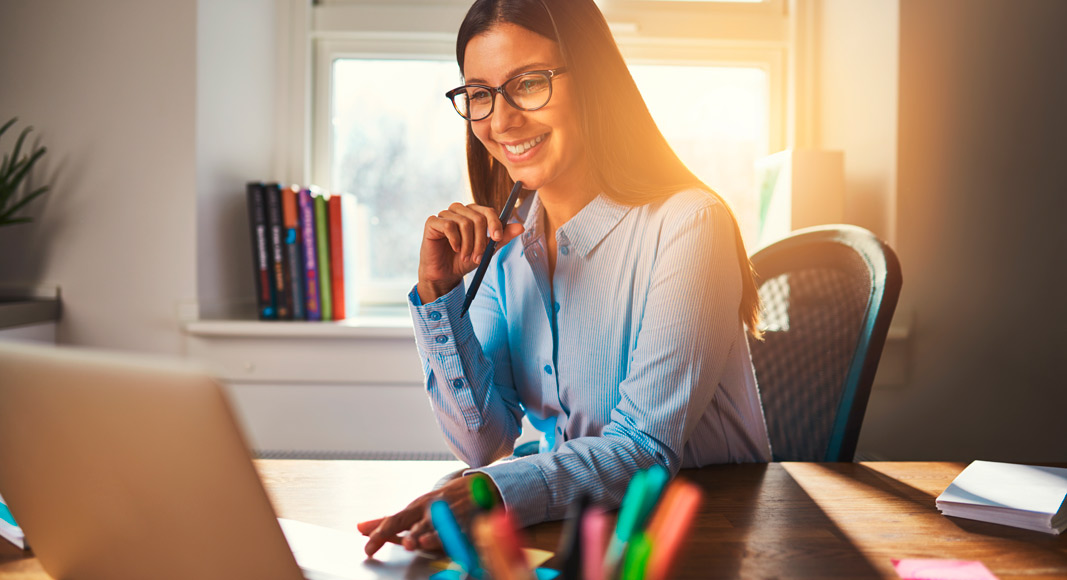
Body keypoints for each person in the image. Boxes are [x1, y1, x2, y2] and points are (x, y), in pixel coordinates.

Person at [358, 0, 771, 556]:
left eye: (528, 83)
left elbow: (643, 448)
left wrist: (493, 492)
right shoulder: (503, 248)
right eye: (480, 93)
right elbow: (483, 441)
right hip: (583, 534)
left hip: (705, 535)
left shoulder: (689, 223)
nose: (501, 120)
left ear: (595, 83)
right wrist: (440, 296)